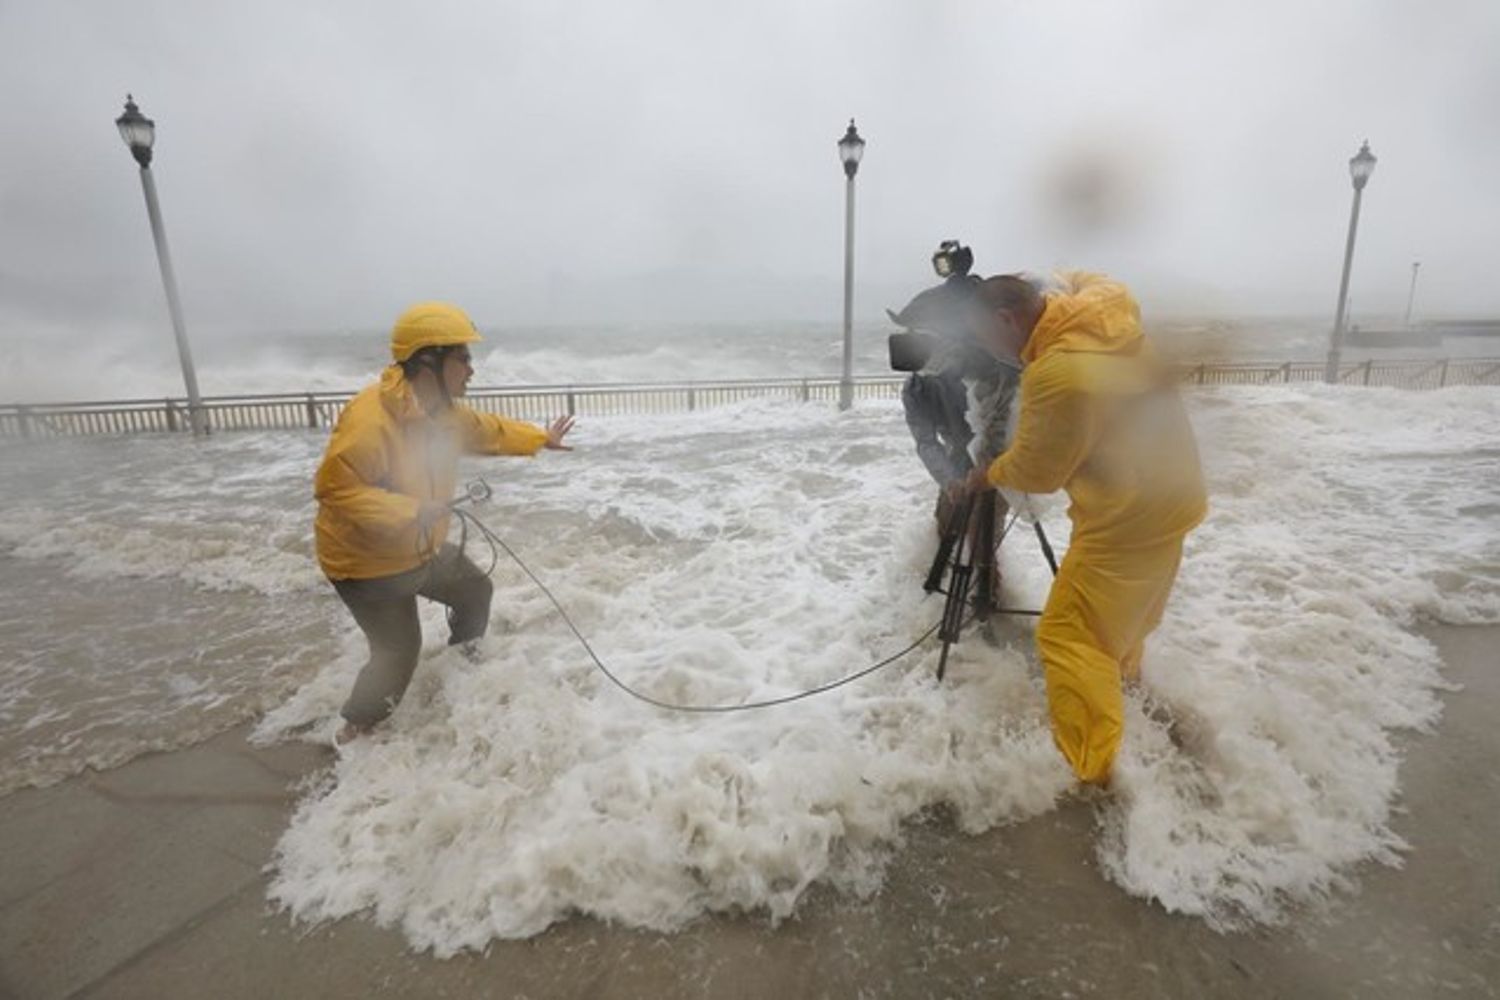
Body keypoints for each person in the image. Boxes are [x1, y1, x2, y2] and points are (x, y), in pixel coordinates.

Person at [960, 272, 1206, 785]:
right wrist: (1053, 276)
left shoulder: (1057, 372)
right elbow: (1085, 275)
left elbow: (1038, 472)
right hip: (1175, 496)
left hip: (1125, 520)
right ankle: (1125, 695)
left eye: (985, 336)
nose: (990, 350)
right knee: (1117, 625)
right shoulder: (1108, 309)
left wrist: (985, 475)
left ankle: (1093, 770)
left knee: (1068, 636)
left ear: (1006, 319)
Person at [313, 301, 575, 744]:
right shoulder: (370, 420)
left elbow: (486, 430)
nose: (471, 369)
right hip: (366, 564)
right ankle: (354, 733)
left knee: (475, 589)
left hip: (418, 547)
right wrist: (410, 511)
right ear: (427, 360)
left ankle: (462, 673)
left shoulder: (442, 412)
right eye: (463, 358)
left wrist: (538, 438)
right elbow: (336, 492)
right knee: (398, 651)